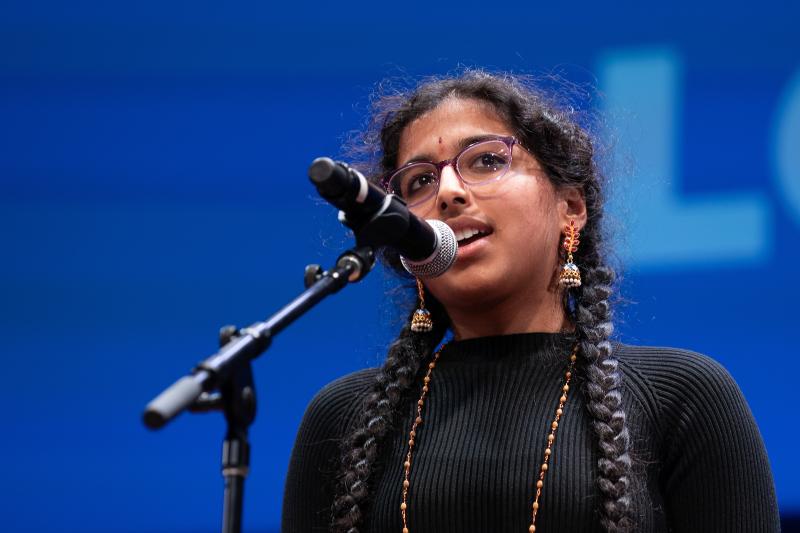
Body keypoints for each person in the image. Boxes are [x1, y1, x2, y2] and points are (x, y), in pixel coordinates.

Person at [281, 70, 779, 532]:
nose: (449, 192)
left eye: (487, 161)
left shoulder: (683, 398)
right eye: (420, 182)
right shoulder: (343, 417)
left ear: (571, 208)